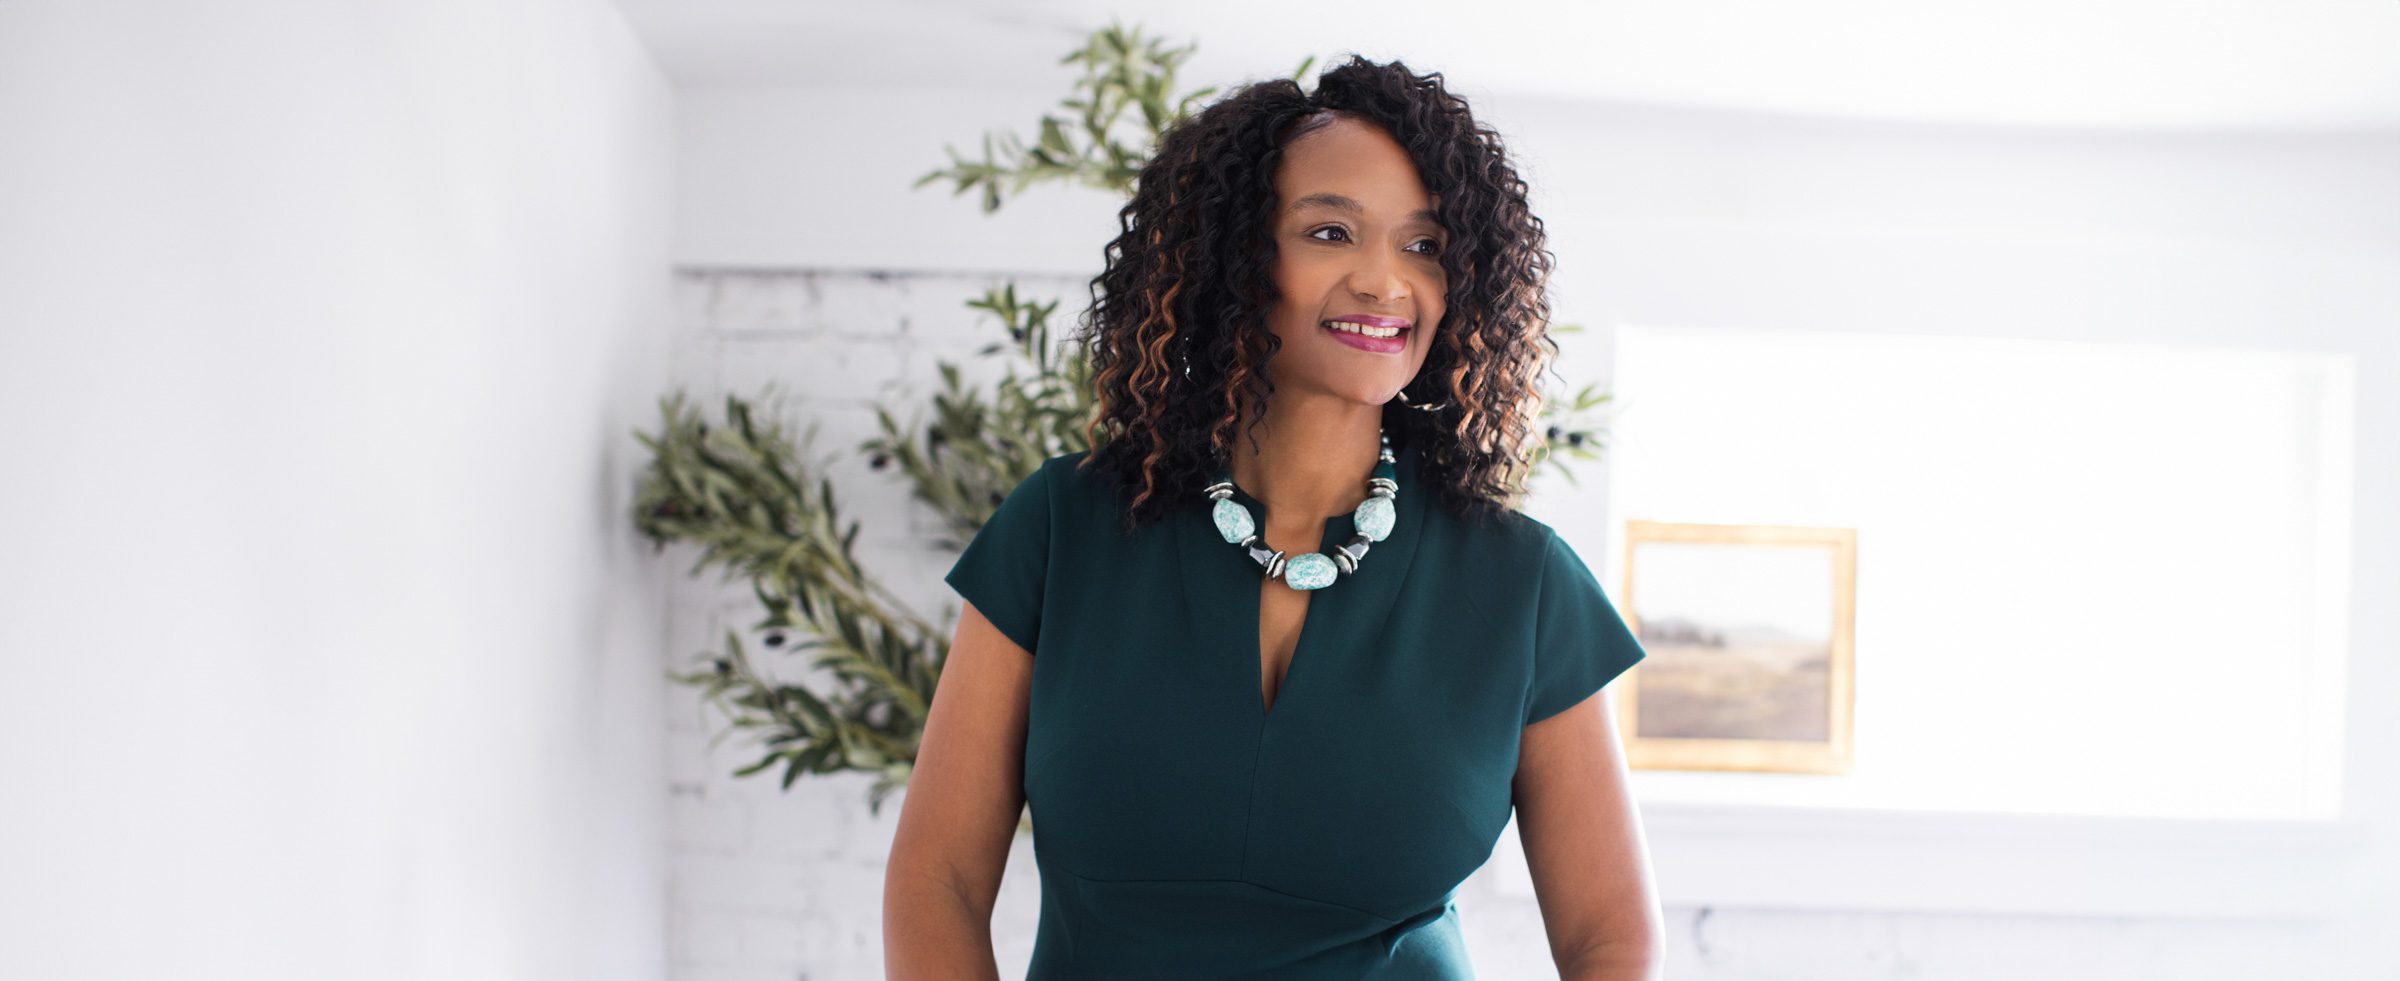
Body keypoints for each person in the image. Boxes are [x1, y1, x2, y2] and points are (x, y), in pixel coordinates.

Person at [885, 55, 1660, 980]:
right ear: (1236, 257)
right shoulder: (1063, 528)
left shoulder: (1522, 583)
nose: (1384, 281)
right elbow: (937, 881)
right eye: (1332, 231)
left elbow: (1609, 935)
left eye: (1423, 244)